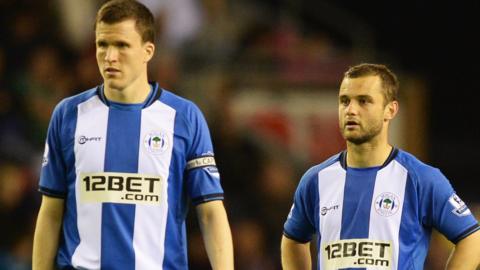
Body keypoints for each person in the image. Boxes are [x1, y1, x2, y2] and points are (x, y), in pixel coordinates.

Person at [32, 1, 234, 269]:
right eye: (102, 45)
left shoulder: (184, 118)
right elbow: (50, 212)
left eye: (122, 45)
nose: (109, 56)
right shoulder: (68, 115)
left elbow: (210, 213)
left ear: (148, 51)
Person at [281, 63, 480, 269]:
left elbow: (472, 239)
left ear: (390, 110)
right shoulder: (315, 180)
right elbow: (293, 239)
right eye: (345, 101)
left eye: (364, 101)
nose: (351, 110)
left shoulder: (421, 179)